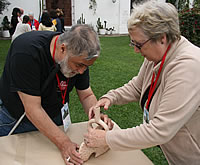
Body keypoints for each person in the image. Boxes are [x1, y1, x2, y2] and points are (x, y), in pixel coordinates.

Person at [84, 1, 200, 165]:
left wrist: (107, 139)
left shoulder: (188, 66)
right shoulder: (158, 53)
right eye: (133, 43)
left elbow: (160, 130)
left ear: (162, 38)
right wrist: (111, 97)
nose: (136, 50)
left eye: (138, 44)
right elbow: (138, 86)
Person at [0, 24, 113, 165]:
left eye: (86, 66)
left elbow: (86, 95)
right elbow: (32, 109)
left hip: (54, 117)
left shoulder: (79, 56)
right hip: (17, 119)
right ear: (63, 48)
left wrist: (97, 117)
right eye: (79, 65)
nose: (82, 71)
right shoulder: (26, 51)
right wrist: (64, 143)